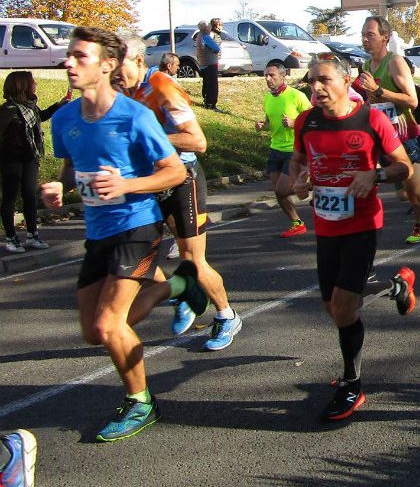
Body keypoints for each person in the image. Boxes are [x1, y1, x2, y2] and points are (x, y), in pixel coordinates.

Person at [42, 26, 208, 442]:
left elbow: (173, 171)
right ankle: (180, 285)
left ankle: (141, 402)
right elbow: (70, 167)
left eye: (80, 56)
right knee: (92, 332)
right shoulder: (63, 119)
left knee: (111, 324)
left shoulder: (134, 116)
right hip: (98, 232)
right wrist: (58, 188)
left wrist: (126, 185)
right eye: (70, 55)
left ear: (107, 65)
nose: (69, 63)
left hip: (137, 225)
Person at [289, 55, 418, 421]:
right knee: (333, 307)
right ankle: (397, 287)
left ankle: (352, 384)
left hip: (362, 225)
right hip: (326, 225)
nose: (316, 88)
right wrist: (298, 179)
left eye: (324, 81)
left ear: (347, 82)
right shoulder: (306, 121)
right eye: (311, 81)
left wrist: (374, 176)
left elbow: (403, 166)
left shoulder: (371, 118)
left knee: (344, 308)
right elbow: (298, 161)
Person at [117, 36, 242, 350]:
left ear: (138, 61)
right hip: (147, 181)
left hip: (181, 178)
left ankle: (227, 315)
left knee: (192, 260)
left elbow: (197, 141)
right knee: (137, 257)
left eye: (118, 64)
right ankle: (178, 291)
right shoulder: (120, 91)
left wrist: (150, 137)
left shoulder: (162, 88)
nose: (113, 72)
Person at [352, 16, 420, 269]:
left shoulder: (395, 63)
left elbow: (412, 101)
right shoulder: (366, 65)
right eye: (362, 34)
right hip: (378, 137)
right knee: (370, 189)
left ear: (385, 37)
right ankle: (360, 252)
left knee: (413, 196)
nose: (364, 39)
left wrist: (379, 90)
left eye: (370, 34)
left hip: (403, 138)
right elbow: (372, 103)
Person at [1, 71, 70, 253]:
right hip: (11, 161)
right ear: (22, 85)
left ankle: (32, 234)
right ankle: (11, 237)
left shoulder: (30, 107)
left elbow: (41, 116)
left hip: (30, 158)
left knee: (30, 196)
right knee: (10, 198)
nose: (36, 84)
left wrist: (58, 105)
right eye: (32, 82)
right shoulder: (8, 110)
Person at [258, 63, 312, 238]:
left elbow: (313, 120)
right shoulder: (268, 98)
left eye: (272, 75)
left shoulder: (297, 96)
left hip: (294, 150)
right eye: (266, 75)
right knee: (278, 193)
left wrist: (295, 123)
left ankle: (315, 185)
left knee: (282, 190)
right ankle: (297, 223)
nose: (268, 79)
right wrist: (262, 125)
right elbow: (269, 122)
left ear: (283, 77)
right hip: (275, 149)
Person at [195, 20, 221, 109]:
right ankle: (211, 104)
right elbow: (216, 48)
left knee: (206, 84)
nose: (210, 27)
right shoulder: (206, 37)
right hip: (210, 64)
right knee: (213, 85)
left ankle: (206, 101)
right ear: (206, 28)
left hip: (203, 64)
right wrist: (215, 50)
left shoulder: (199, 36)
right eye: (209, 26)